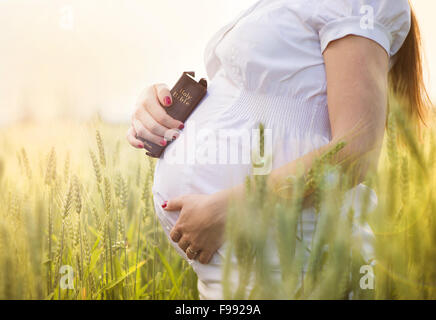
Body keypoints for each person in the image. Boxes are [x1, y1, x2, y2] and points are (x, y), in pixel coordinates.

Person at [127, 0, 430, 299]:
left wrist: (231, 209)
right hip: (238, 264)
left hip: (287, 255)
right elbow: (248, 96)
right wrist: (155, 104)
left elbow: (356, 151)